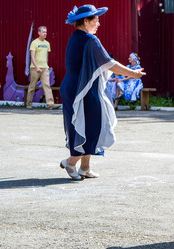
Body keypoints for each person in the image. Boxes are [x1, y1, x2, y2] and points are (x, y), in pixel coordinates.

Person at [60, 5, 145, 180]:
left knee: (86, 125)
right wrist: (133, 74)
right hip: (81, 91)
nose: (98, 23)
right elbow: (110, 63)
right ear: (85, 21)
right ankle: (70, 162)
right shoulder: (90, 40)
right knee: (90, 127)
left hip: (74, 88)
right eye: (96, 19)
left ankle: (85, 168)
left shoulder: (76, 37)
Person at [26, 26, 61, 110]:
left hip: (45, 68)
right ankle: (28, 103)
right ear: (39, 33)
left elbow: (46, 56)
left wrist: (46, 66)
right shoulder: (34, 43)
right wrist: (37, 67)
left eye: (46, 32)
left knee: (47, 86)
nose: (45, 33)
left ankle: (50, 104)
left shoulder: (47, 43)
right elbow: (32, 56)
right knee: (32, 86)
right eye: (43, 32)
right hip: (35, 68)